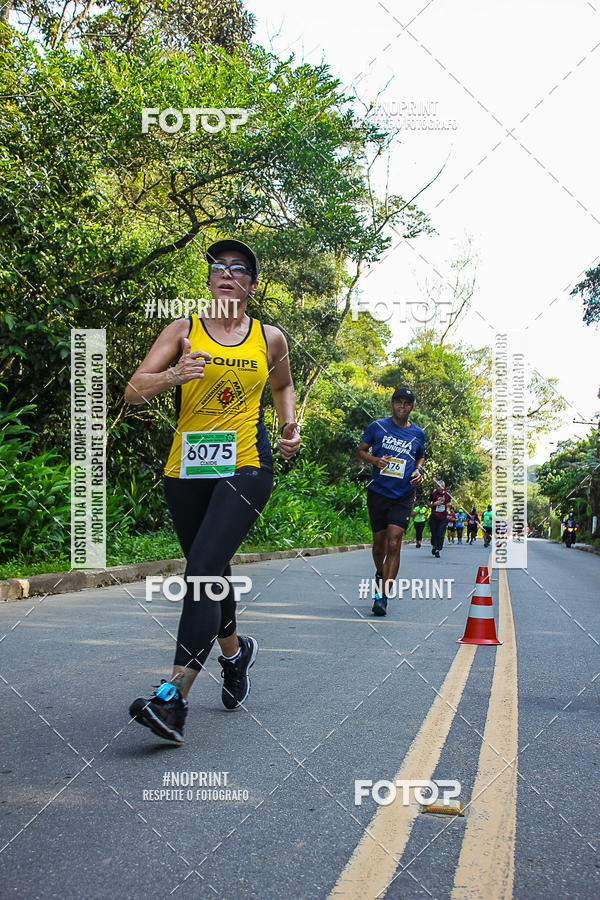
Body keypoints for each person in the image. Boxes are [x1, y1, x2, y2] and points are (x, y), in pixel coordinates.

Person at [124, 239, 301, 743]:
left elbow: (283, 387)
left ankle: (174, 696)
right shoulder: (183, 330)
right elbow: (133, 390)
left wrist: (289, 426)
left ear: (252, 283)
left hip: (247, 464)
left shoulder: (270, 338)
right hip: (186, 469)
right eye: (218, 266)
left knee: (200, 572)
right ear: (208, 279)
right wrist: (175, 374)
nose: (227, 273)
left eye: (238, 268)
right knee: (213, 570)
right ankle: (234, 651)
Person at [357, 386, 425, 616]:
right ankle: (380, 572)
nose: (402, 406)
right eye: (399, 402)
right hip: (378, 493)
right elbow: (361, 451)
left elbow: (420, 456)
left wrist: (418, 471)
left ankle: (382, 595)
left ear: (412, 407)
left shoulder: (418, 434)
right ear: (392, 403)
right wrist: (375, 461)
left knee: (394, 542)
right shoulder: (377, 427)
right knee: (379, 545)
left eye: (407, 403)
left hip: (403, 495)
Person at [428, 480, 451, 558]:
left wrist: (449, 504)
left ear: (444, 487)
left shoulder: (447, 495)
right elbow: (428, 503)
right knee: (434, 534)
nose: (439, 488)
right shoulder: (433, 494)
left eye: (440, 486)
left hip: (443, 517)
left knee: (440, 534)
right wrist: (434, 504)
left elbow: (449, 503)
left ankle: (438, 550)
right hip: (434, 517)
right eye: (437, 486)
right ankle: (434, 545)